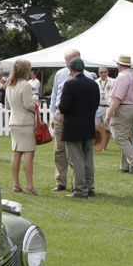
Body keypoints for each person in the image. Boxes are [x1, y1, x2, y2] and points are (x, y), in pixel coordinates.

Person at [57, 58, 99, 198]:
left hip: (73, 126)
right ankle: (89, 187)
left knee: (76, 160)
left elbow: (64, 106)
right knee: (88, 158)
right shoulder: (93, 84)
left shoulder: (69, 84)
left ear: (70, 69)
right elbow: (96, 103)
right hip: (88, 125)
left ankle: (80, 189)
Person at [104, 54, 133, 174]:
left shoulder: (122, 77)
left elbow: (117, 98)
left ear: (119, 64)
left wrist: (108, 114)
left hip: (124, 109)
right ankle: (124, 166)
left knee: (119, 137)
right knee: (127, 137)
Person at [5, 59, 38, 194]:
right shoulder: (25, 85)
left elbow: (7, 106)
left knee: (16, 153)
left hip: (14, 122)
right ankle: (29, 186)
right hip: (25, 122)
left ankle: (16, 184)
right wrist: (36, 105)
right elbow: (28, 104)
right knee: (29, 153)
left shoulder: (9, 85)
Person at [49, 48, 80, 192]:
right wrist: (53, 115)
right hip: (60, 113)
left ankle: (77, 182)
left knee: (75, 149)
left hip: (75, 114)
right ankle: (60, 181)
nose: (69, 64)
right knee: (59, 148)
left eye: (72, 61)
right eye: (67, 61)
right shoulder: (60, 74)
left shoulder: (84, 76)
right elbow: (54, 94)